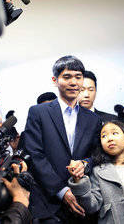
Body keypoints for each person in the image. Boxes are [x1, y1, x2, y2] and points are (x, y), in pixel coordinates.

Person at [23, 56, 101, 223]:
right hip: (47, 202)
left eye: (78, 77)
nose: (74, 82)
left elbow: (96, 154)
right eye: (67, 77)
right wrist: (61, 190)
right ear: (55, 80)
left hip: (82, 199)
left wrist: (85, 164)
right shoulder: (38, 112)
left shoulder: (93, 119)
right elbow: (35, 154)